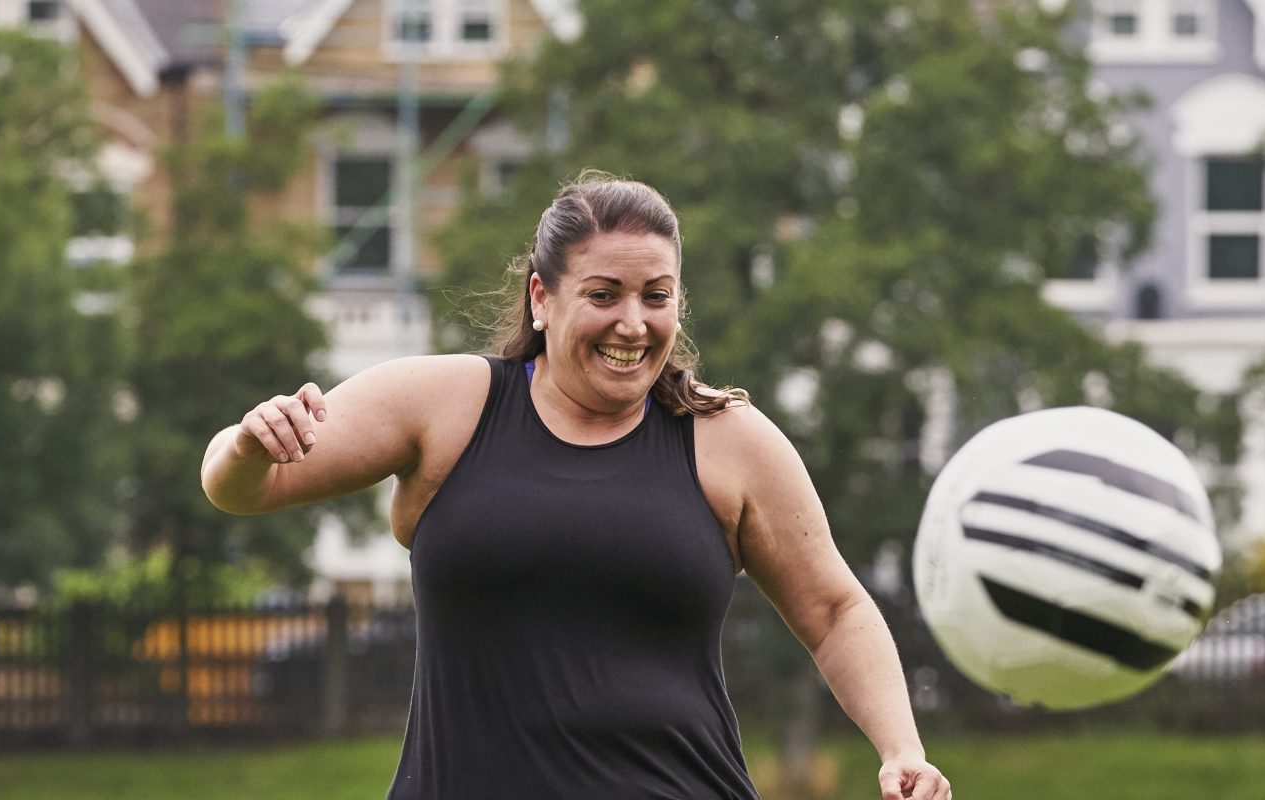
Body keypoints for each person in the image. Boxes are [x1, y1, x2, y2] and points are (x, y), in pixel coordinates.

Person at [201, 172, 951, 800]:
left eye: (657, 296)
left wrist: (901, 749)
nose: (633, 324)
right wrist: (249, 444)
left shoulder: (728, 440)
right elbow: (240, 489)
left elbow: (833, 610)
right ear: (541, 297)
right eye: (604, 294)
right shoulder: (450, 406)